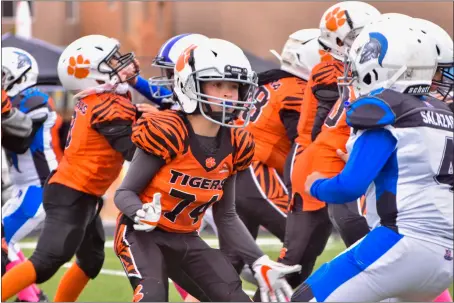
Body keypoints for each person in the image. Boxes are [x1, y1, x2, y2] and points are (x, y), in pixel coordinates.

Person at [114, 38, 300, 302]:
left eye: (234, 86)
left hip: (185, 237)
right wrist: (140, 212)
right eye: (217, 84)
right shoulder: (168, 131)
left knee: (234, 297)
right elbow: (124, 193)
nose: (227, 93)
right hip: (141, 235)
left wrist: (258, 261)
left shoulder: (238, 142)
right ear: (190, 85)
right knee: (152, 296)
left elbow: (226, 216)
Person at [292, 19, 453, 302]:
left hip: (403, 242)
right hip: (445, 257)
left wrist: (316, 185)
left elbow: (349, 187)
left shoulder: (386, 109)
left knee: (305, 297)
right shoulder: (443, 113)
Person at [1, 34, 139, 302]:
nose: (118, 64)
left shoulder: (100, 100)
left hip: (77, 190)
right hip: (70, 192)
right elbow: (133, 148)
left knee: (91, 260)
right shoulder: (105, 105)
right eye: (110, 60)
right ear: (91, 74)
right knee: (45, 262)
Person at [280, 1, 380, 289]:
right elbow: (319, 129)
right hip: (320, 158)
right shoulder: (329, 71)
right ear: (337, 41)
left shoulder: (360, 69)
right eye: (357, 35)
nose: (366, 41)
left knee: (360, 243)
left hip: (337, 157)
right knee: (300, 254)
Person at [226, 29, 321, 276]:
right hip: (254, 173)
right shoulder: (297, 89)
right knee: (304, 241)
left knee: (229, 265)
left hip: (234, 171)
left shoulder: (270, 82)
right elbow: (304, 141)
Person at [1, 47, 59, 302]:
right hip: (25, 187)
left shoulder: (34, 98)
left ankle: (32, 299)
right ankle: (35, 296)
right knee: (6, 244)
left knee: (2, 245)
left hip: (40, 188)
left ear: (20, 76)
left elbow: (20, 140)